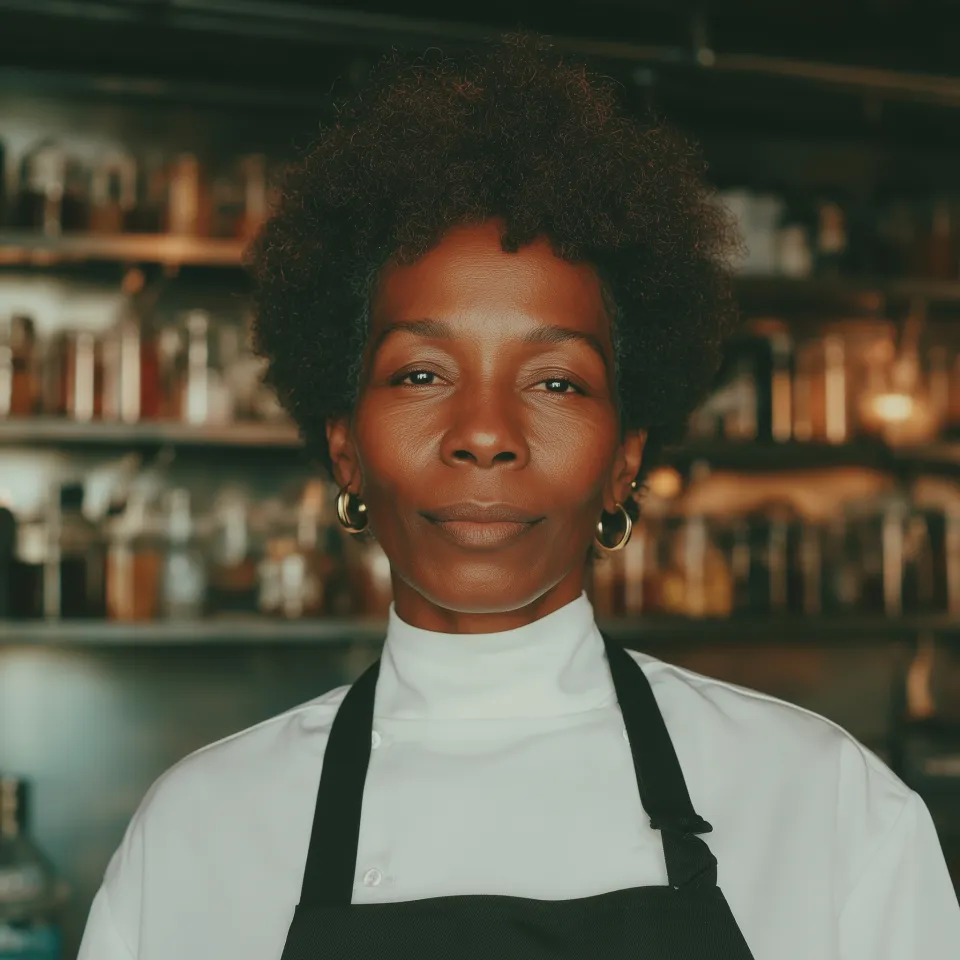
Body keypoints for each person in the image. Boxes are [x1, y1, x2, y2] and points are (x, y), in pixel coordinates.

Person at [78, 31, 960, 960]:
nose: (486, 433)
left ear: (625, 459)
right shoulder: (199, 833)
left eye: (556, 382)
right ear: (345, 449)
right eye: (421, 375)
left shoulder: (824, 807)